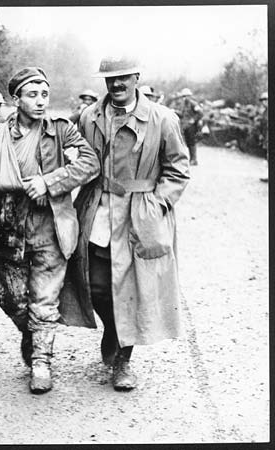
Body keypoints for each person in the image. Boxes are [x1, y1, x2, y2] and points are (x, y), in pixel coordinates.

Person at [0, 67, 100, 394]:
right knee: (11, 297)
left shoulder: (61, 131)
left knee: (44, 299)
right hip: (8, 228)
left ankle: (42, 362)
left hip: (50, 227)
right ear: (16, 99)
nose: (41, 101)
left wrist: (50, 182)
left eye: (45, 94)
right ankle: (31, 335)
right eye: (32, 95)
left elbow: (89, 163)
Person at [74, 54, 190, 391]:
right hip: (98, 208)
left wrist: (157, 203)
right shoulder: (89, 116)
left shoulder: (162, 119)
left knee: (130, 289)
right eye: (111, 79)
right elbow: (80, 157)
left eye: (124, 77)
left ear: (137, 77)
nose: (117, 84)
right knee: (94, 285)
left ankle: (123, 361)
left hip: (139, 213)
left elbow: (178, 169)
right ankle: (113, 329)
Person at [171, 87, 203, 165]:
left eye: (186, 96)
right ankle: (191, 159)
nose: (185, 98)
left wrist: (193, 119)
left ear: (189, 96)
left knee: (192, 142)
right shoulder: (184, 105)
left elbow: (200, 113)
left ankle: (194, 159)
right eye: (183, 96)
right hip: (186, 126)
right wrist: (175, 111)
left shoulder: (193, 104)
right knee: (188, 142)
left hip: (192, 126)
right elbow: (182, 115)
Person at [256, 91, 268, 182]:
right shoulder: (264, 112)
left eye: (266, 100)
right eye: (263, 100)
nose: (264, 102)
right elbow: (262, 125)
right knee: (266, 155)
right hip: (266, 136)